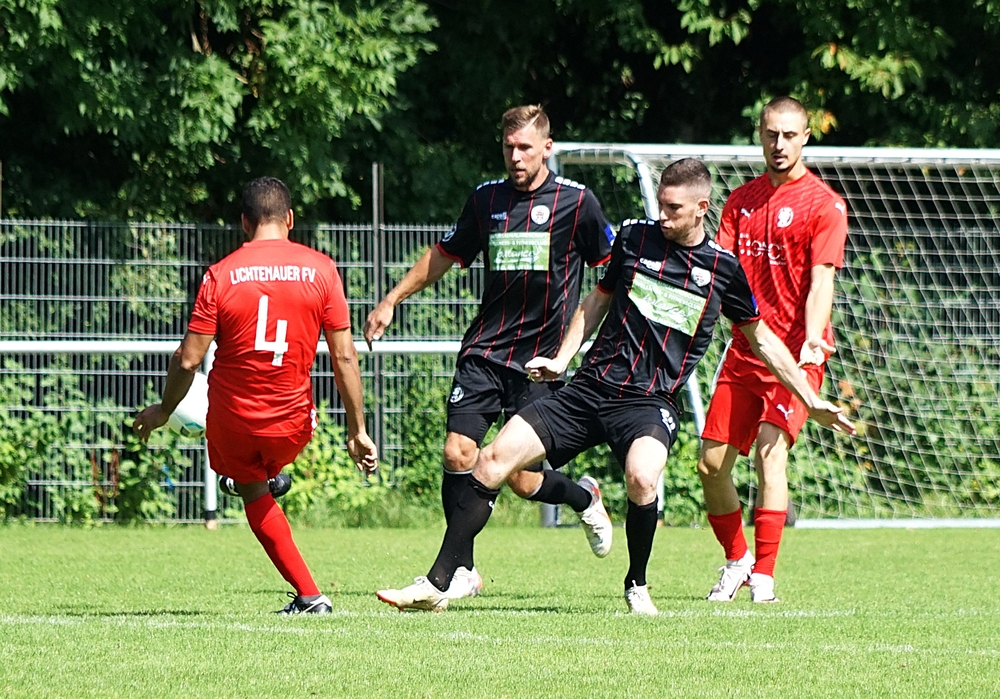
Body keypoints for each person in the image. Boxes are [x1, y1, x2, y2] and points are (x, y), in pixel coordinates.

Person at [375, 158, 855, 614]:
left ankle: (636, 585)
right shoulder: (633, 238)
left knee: (643, 477)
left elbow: (764, 341)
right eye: (660, 205)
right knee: (491, 459)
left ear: (701, 208)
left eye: (674, 209)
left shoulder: (723, 269)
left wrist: (809, 398)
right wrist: (562, 359)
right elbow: (596, 301)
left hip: (649, 403)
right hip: (590, 388)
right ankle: (438, 582)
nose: (662, 216)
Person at [363, 105, 617, 600]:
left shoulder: (576, 202)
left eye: (525, 148)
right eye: (508, 147)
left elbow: (611, 272)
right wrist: (392, 299)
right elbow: (444, 254)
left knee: (521, 480)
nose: (515, 157)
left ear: (547, 148)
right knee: (457, 452)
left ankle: (583, 496)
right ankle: (463, 569)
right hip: (484, 351)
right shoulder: (486, 200)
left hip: (539, 364)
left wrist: (594, 342)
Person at [134, 177, 378, 614]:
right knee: (272, 453)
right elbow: (344, 357)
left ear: (244, 222)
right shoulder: (322, 269)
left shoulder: (221, 274)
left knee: (248, 483)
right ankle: (268, 477)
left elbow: (188, 360)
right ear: (290, 219)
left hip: (232, 424)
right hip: (293, 423)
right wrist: (357, 430)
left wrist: (164, 410)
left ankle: (308, 592)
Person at [698, 96, 849, 604]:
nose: (779, 144)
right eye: (771, 134)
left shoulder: (824, 204)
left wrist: (813, 337)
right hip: (745, 353)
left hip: (796, 357)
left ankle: (763, 575)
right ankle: (737, 559)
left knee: (769, 453)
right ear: (760, 135)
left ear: (806, 137)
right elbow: (718, 273)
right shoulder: (740, 202)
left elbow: (822, 280)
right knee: (710, 466)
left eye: (789, 135)